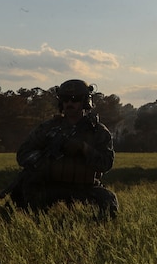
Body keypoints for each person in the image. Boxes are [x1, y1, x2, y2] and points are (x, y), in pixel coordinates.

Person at [8, 79, 118, 218]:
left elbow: (106, 164)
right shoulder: (47, 128)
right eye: (65, 99)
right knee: (24, 199)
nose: (69, 103)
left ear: (85, 101)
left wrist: (84, 148)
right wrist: (44, 160)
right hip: (50, 187)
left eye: (75, 99)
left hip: (84, 188)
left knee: (108, 202)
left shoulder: (98, 131)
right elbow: (23, 154)